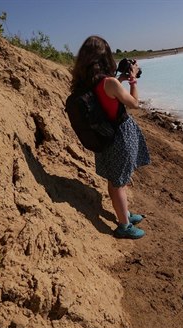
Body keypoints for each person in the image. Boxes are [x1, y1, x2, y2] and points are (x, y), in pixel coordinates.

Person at [70, 35, 150, 239]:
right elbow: (133, 103)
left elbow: (104, 97)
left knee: (114, 179)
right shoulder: (110, 82)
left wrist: (119, 80)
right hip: (119, 137)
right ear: (105, 57)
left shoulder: (87, 83)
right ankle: (124, 225)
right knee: (119, 183)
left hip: (104, 137)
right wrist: (132, 80)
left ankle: (124, 214)